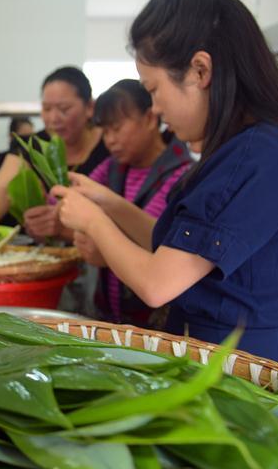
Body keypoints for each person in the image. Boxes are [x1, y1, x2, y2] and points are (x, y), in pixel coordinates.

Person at [53, 0, 278, 367]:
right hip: (216, 354)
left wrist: (93, 221)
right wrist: (108, 204)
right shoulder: (252, 147)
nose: (155, 109)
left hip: (239, 366)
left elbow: (157, 283)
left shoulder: (259, 154)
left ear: (200, 71)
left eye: (153, 90)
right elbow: (178, 253)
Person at [0, 66, 108, 259]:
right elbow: (2, 187)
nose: (53, 118)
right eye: (46, 109)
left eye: (64, 109)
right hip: (47, 255)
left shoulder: (111, 145)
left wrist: (66, 229)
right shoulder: (32, 145)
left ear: (89, 107)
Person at [74, 79, 192, 327]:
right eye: (105, 132)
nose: (110, 140)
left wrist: (103, 245)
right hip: (110, 316)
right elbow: (77, 194)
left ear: (150, 119)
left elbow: (155, 241)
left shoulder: (181, 175)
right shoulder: (113, 168)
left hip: (157, 324)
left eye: (116, 128)